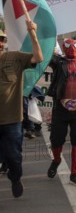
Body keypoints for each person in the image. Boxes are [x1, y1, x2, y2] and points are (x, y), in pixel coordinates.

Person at [0, 20, 43, 198]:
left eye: (1, 40)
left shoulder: (14, 57)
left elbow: (38, 58)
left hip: (11, 121)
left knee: (14, 158)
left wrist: (33, 34)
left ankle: (15, 177)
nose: (0, 43)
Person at [46, 39, 76, 187]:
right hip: (61, 109)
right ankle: (56, 160)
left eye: (75, 45)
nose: (72, 48)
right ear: (62, 47)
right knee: (56, 140)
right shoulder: (58, 63)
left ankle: (74, 173)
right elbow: (45, 53)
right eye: (68, 45)